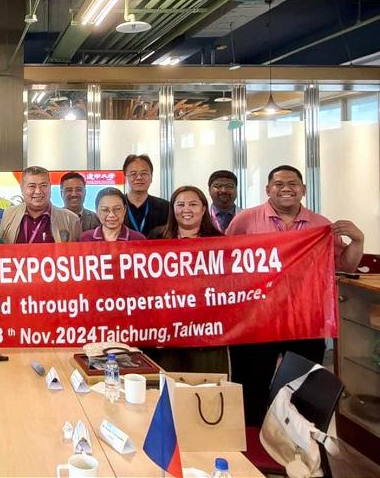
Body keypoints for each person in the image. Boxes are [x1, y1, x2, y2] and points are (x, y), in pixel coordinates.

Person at [226, 164, 364, 426]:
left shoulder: (321, 225)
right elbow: (224, 262)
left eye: (293, 183)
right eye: (278, 184)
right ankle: (251, 440)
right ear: (268, 189)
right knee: (250, 388)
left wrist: (357, 241)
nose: (286, 188)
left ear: (304, 189)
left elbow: (343, 266)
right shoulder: (245, 221)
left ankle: (296, 441)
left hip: (305, 320)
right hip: (256, 320)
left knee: (302, 388)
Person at [145, 186, 227, 374]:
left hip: (207, 332)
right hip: (166, 329)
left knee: (206, 383)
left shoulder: (220, 241)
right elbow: (145, 282)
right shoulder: (156, 237)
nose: (186, 209)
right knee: (167, 381)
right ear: (172, 209)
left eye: (193, 204)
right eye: (180, 204)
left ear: (204, 208)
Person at [0, 166, 81, 244]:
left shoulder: (70, 219)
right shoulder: (8, 214)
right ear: (22, 188)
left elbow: (77, 252)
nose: (38, 191)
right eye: (32, 186)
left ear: (50, 187)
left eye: (44, 186)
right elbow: (0, 249)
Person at [121, 154, 170, 237]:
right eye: (133, 174)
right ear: (125, 177)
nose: (139, 177)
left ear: (151, 177)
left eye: (144, 173)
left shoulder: (166, 207)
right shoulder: (116, 207)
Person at [80, 188, 145, 242]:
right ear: (97, 211)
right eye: (105, 210)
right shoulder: (85, 238)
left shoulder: (138, 239)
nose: (111, 215)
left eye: (117, 209)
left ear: (124, 210)